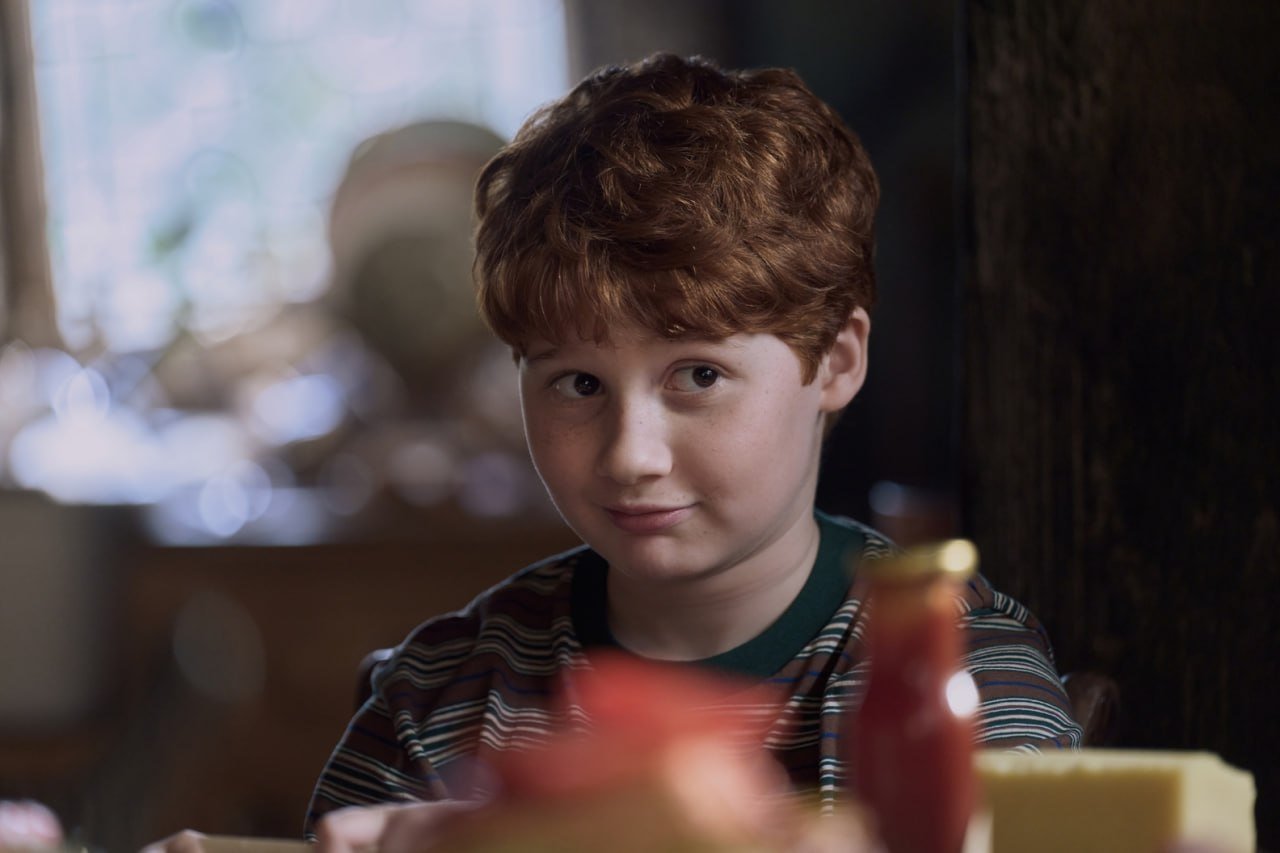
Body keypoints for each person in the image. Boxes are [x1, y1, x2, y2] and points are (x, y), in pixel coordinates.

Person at [306, 53, 1082, 850]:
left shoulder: (955, 675)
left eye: (699, 375)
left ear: (836, 360)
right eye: (579, 383)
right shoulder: (439, 696)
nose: (631, 456)